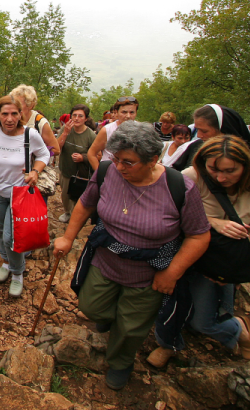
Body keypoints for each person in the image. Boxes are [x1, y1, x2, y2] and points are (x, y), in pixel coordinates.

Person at [53, 121, 210, 390]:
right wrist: (68, 236)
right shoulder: (107, 172)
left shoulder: (179, 188)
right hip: (105, 260)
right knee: (91, 307)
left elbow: (199, 236)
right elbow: (87, 202)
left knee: (130, 327)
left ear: (153, 159)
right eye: (116, 160)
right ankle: (111, 317)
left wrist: (172, 272)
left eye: (129, 162)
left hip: (148, 273)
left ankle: (121, 362)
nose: (120, 167)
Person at [147, 135, 250, 367]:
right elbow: (171, 214)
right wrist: (214, 222)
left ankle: (238, 330)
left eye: (230, 171)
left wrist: (230, 270)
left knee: (205, 321)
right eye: (213, 169)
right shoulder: (192, 177)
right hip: (182, 250)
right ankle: (168, 343)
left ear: (246, 166)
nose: (221, 177)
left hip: (219, 259)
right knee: (169, 301)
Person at [0, 96, 49, 297]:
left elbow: (44, 154)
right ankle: (6, 262)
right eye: (4, 113)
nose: (9, 118)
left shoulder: (30, 134)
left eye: (14, 113)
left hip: (19, 194)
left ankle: (18, 273)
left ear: (21, 114)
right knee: (0, 231)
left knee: (12, 237)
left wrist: (35, 172)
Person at [171, 105, 250, 178]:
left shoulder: (249, 163)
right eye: (197, 130)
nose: (199, 135)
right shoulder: (196, 147)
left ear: (223, 130)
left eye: (204, 131)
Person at [56, 104, 96, 223]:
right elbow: (57, 149)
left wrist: (83, 157)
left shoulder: (90, 135)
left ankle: (77, 217)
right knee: (65, 194)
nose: (77, 118)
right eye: (74, 115)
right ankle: (67, 212)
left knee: (78, 195)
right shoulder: (65, 129)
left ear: (86, 119)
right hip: (65, 169)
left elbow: (97, 155)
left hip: (81, 173)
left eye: (80, 116)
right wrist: (65, 132)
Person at [87, 96, 139, 170]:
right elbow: (91, 153)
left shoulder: (141, 129)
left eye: (132, 112)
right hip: (111, 173)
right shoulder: (107, 130)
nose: (128, 116)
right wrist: (100, 174)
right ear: (117, 112)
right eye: (124, 112)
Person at [9, 85, 60, 156]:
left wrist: (34, 152)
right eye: (13, 103)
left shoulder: (40, 122)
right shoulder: (8, 119)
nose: (14, 107)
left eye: (19, 104)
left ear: (30, 105)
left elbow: (56, 150)